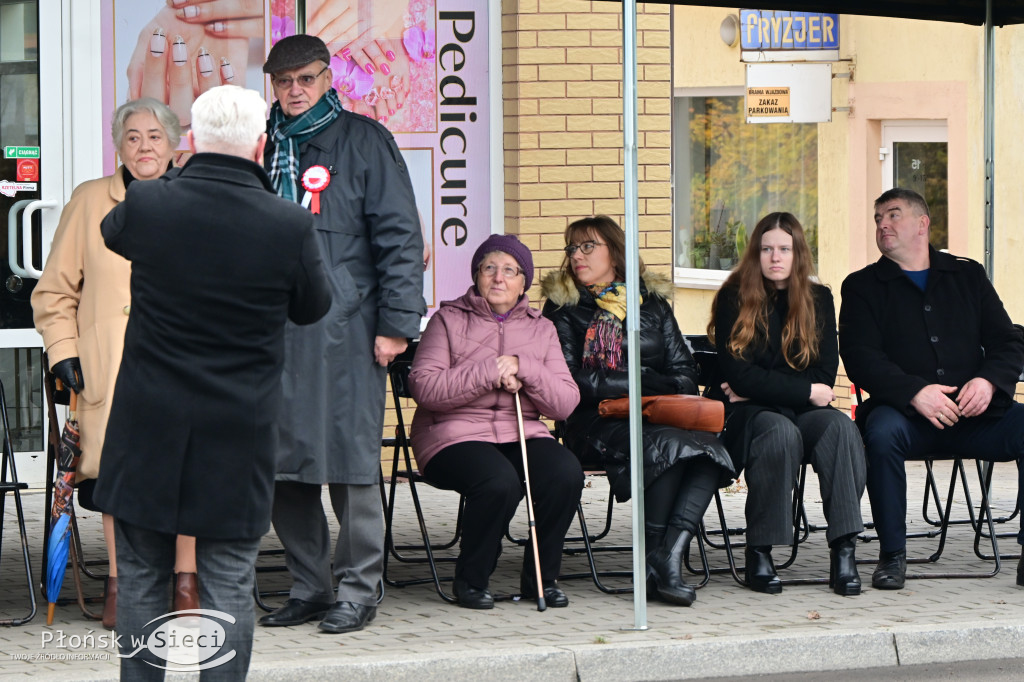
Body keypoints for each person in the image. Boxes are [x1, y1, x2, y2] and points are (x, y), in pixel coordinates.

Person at [92, 84, 331, 680]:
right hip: (238, 431)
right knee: (227, 580)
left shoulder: (150, 204)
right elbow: (313, 307)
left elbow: (112, 232)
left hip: (148, 424)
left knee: (144, 576)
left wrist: (172, 177)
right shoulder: (289, 224)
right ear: (260, 143)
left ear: (190, 142)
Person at [258, 34, 425, 635]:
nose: (295, 92)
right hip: (273, 334)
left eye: (305, 79)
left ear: (329, 79)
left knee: (351, 466)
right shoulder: (264, 145)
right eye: (284, 82)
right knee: (284, 467)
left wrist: (398, 326)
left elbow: (401, 237)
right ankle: (309, 586)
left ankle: (359, 588)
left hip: (347, 331)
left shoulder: (363, 140)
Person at [31, 97, 200, 629]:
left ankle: (186, 581)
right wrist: (64, 353)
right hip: (112, 364)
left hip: (184, 360)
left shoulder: (198, 199)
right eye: (132, 137)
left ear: (174, 144)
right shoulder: (89, 200)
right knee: (116, 476)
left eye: (154, 136)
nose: (144, 146)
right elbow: (54, 291)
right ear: (118, 146)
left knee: (185, 474)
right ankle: (121, 585)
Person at [541, 215, 734, 607]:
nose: (577, 256)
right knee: (669, 446)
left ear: (614, 251)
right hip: (595, 422)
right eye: (572, 248)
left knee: (710, 452)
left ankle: (668, 555)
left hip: (658, 416)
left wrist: (649, 386)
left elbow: (684, 375)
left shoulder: (654, 305)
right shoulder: (563, 309)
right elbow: (574, 382)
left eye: (587, 246)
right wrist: (645, 382)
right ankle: (658, 561)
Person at [839, 187, 1024, 590]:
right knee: (881, 436)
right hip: (905, 415)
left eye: (893, 215)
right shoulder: (861, 286)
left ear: (922, 224)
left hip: (976, 414)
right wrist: (915, 392)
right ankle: (892, 555)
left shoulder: (967, 274)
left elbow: (1008, 341)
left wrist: (989, 381)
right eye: (877, 218)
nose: (882, 224)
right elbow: (860, 357)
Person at [408, 235, 583, 609]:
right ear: (476, 276)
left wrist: (526, 368)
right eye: (489, 268)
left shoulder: (541, 328)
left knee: (565, 472)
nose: (498, 278)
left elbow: (566, 403)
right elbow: (425, 387)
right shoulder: (448, 320)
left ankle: (541, 577)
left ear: (524, 282)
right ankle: (471, 579)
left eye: (509, 270)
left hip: (521, 431)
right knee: (498, 481)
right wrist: (489, 371)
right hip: (451, 434)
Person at [708, 212, 866, 596]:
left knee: (840, 428)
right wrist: (800, 389)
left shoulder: (819, 299)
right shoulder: (734, 297)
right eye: (766, 249)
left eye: (783, 249)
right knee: (779, 433)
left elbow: (825, 378)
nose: (774, 258)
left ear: (798, 254)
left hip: (802, 412)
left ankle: (843, 549)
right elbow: (738, 377)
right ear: (755, 253)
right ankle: (759, 550)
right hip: (751, 416)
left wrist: (766, 386)